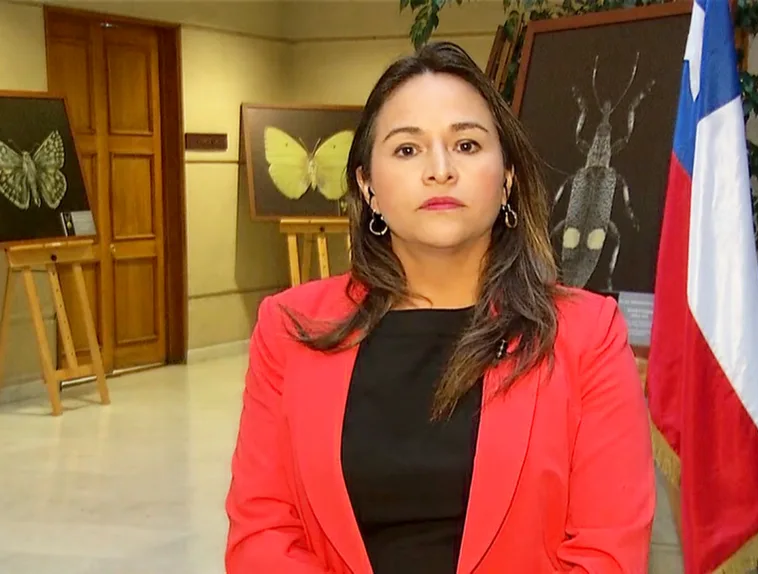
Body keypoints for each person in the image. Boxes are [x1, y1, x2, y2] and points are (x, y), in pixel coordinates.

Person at [224, 41, 655, 574]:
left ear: (508, 178)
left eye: (468, 145)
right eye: (407, 150)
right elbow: (263, 534)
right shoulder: (291, 328)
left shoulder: (587, 334)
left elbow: (606, 553)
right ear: (368, 187)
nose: (440, 170)